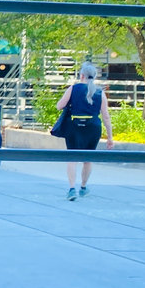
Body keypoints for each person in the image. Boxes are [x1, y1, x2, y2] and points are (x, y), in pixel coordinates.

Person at [56, 61, 114, 199]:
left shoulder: (73, 89)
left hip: (74, 126)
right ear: (94, 76)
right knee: (88, 159)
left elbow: (59, 106)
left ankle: (72, 189)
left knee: (72, 158)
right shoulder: (100, 93)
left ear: (81, 75)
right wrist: (110, 137)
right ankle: (83, 187)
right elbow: (106, 116)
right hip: (93, 127)